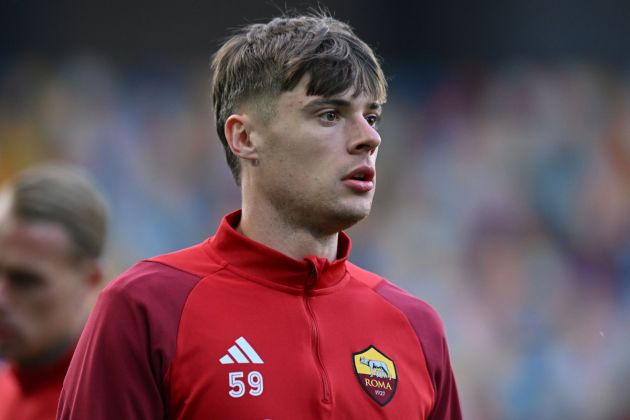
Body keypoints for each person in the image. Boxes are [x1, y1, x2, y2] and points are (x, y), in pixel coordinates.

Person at [58, 12, 462, 419]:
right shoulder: (147, 307)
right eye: (329, 115)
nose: (369, 138)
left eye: (371, 117)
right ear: (245, 138)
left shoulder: (416, 327)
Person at [0, 164, 107, 420]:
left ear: (89, 280)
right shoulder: (9, 387)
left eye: (25, 280)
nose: (1, 299)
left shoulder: (113, 403)